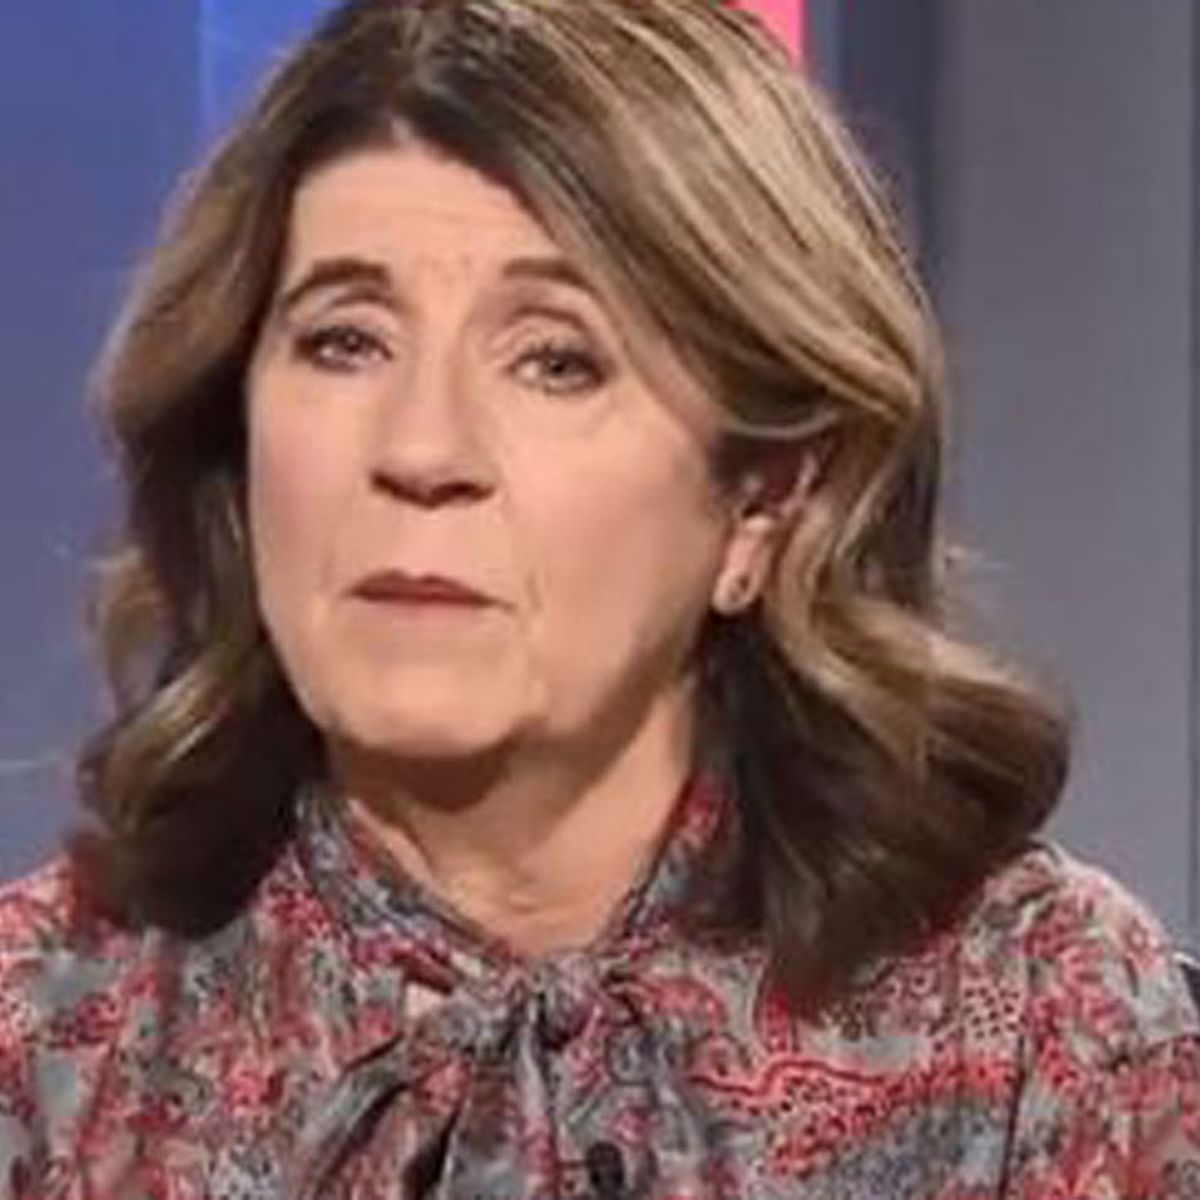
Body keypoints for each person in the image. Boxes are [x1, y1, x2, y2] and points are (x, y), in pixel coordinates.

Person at [1, 0, 1197, 1195]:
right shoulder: (45, 1049)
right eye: (345, 341)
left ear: (767, 495)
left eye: (556, 360)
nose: (421, 450)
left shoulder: (1047, 1032)